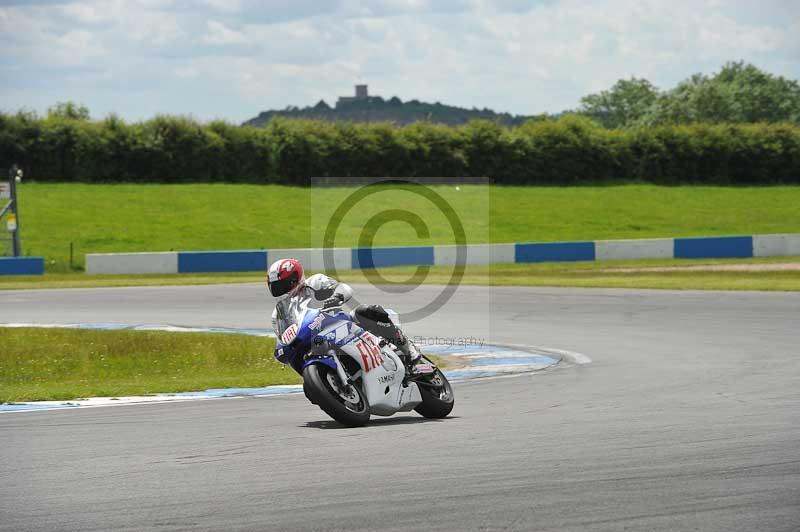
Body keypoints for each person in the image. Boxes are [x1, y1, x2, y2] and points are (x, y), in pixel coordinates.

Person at [267, 258, 419, 362]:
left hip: (339, 324)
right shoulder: (278, 314)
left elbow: (343, 287)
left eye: (284, 284)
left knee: (365, 311)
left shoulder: (314, 282)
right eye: (276, 287)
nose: (281, 290)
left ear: (295, 278)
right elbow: (282, 335)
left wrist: (337, 297)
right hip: (313, 340)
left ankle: (407, 348)